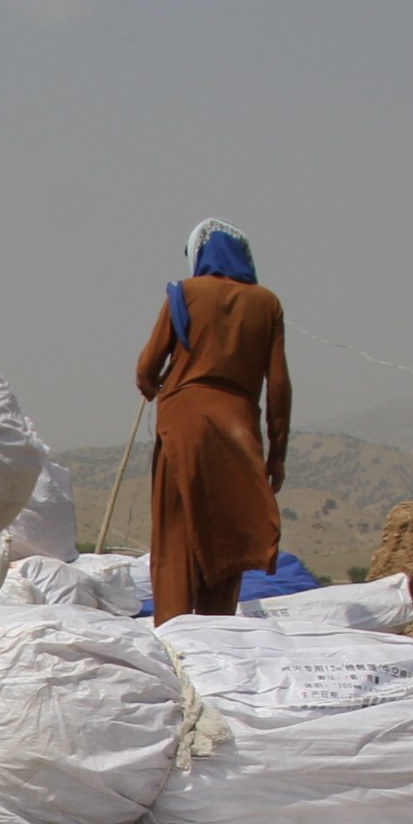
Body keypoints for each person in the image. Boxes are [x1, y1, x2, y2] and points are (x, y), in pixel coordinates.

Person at [136, 217, 292, 618]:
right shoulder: (267, 303)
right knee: (227, 540)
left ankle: (174, 638)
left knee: (175, 538)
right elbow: (278, 387)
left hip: (184, 426)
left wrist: (152, 386)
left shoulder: (184, 293)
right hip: (239, 432)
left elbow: (147, 366)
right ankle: (216, 638)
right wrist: (277, 454)